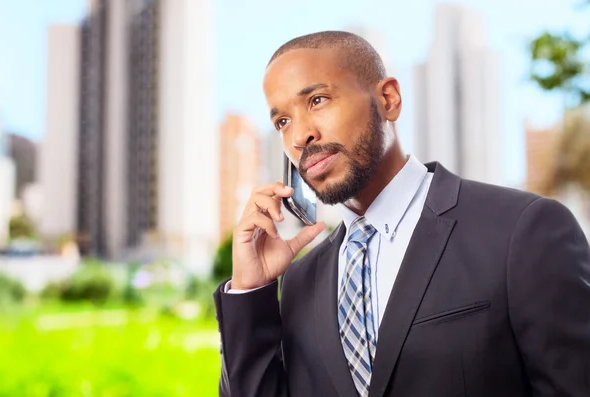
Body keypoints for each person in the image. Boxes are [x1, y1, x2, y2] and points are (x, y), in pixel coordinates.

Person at [213, 31, 590, 397]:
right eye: (282, 122)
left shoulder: (523, 231)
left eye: (317, 100)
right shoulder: (299, 280)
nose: (299, 137)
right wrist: (250, 291)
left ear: (388, 99)